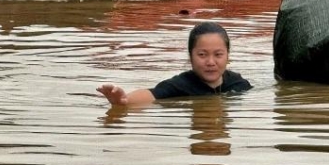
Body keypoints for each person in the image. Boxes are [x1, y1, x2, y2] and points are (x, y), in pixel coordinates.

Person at [97, 21, 252, 106]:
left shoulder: (238, 84)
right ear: (190, 56)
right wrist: (124, 100)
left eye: (218, 55)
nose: (210, 62)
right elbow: (152, 94)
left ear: (227, 56)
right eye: (202, 55)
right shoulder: (181, 85)